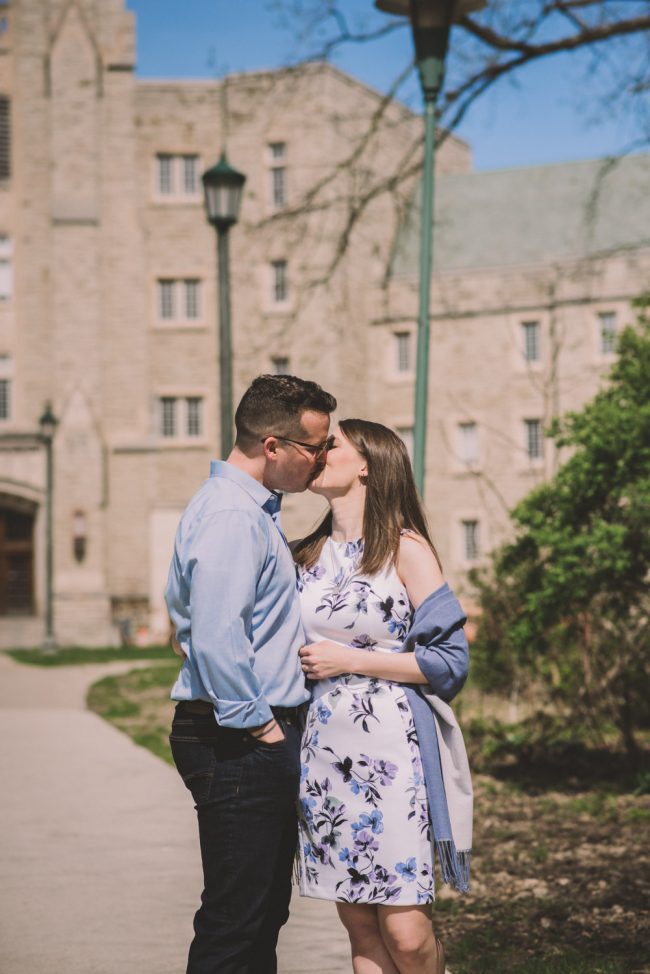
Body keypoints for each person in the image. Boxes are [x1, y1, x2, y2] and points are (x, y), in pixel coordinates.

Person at [165, 373, 336, 974]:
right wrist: (260, 728)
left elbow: (188, 621)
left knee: (260, 914)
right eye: (315, 448)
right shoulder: (233, 517)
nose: (321, 461)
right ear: (273, 445)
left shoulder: (243, 510)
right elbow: (213, 634)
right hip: (238, 738)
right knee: (238, 922)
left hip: (243, 736)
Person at [294, 419, 471, 974]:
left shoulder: (406, 549)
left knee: (407, 932)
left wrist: (352, 660)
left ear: (368, 463)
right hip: (324, 759)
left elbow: (450, 662)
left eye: (334, 445)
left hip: (395, 761)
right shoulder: (304, 555)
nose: (320, 452)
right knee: (362, 930)